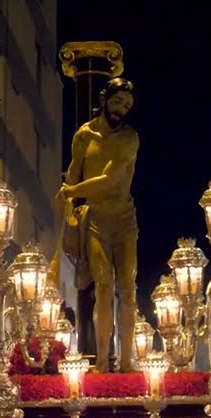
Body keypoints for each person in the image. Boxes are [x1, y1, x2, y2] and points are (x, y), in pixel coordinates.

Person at [53, 76, 141, 372]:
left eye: (127, 105)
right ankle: (103, 364)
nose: (122, 108)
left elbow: (109, 179)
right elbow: (72, 174)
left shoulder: (129, 138)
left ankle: (127, 364)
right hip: (96, 221)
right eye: (117, 101)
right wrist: (68, 201)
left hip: (124, 220)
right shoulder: (83, 136)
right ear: (105, 99)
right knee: (103, 286)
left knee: (127, 288)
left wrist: (71, 192)